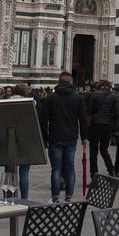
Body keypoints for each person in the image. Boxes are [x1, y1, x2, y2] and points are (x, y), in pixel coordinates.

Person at [38, 72, 84, 201]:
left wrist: (44, 137)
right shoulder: (77, 98)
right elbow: (83, 119)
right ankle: (68, 197)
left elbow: (43, 119)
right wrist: (84, 137)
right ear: (71, 82)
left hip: (55, 137)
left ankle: (55, 197)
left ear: (59, 82)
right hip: (71, 138)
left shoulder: (50, 98)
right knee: (70, 167)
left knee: (56, 168)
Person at [0, 82, 34, 200]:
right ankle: (24, 199)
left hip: (8, 140)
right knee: (24, 172)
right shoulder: (31, 103)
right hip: (25, 140)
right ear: (25, 92)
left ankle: (7, 198)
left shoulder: (5, 103)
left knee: (8, 171)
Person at [85, 80, 119, 177]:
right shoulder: (113, 96)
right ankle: (111, 171)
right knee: (104, 150)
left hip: (96, 125)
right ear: (109, 87)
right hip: (107, 126)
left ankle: (94, 174)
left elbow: (89, 111)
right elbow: (117, 113)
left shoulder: (94, 95)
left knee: (93, 151)